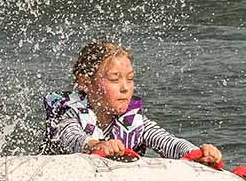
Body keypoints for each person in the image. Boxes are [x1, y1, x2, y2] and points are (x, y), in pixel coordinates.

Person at [42, 41, 223, 166]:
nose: (125, 88)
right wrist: (95, 146)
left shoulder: (135, 122)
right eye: (114, 79)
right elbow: (72, 137)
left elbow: (169, 142)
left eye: (130, 79)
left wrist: (198, 153)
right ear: (86, 83)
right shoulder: (69, 114)